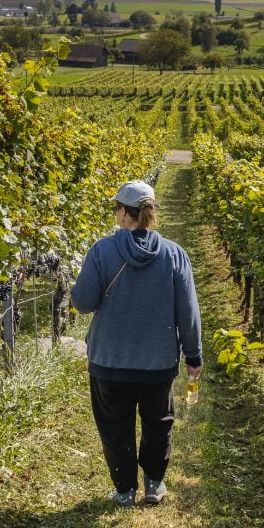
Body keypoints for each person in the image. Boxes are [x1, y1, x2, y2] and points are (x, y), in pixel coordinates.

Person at [70, 179, 203, 509]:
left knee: (115, 426)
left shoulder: (102, 250)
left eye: (116, 207)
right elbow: (188, 310)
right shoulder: (174, 255)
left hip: (109, 360)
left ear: (123, 212)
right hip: (156, 363)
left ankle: (125, 490)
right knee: (158, 424)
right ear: (150, 213)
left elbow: (82, 302)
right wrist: (193, 353)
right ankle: (154, 484)